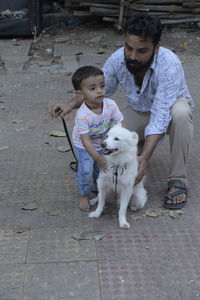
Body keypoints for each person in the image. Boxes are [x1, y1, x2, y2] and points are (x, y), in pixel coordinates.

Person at [50, 13, 194, 210]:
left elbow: (161, 115)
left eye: (141, 51)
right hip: (137, 110)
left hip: (169, 111)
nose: (133, 56)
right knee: (107, 130)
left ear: (156, 46)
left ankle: (178, 180)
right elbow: (95, 90)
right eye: (129, 48)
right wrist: (69, 105)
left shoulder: (170, 64)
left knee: (181, 112)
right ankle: (100, 174)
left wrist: (145, 158)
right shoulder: (118, 59)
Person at [69, 66, 123, 211]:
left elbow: (120, 124)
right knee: (86, 169)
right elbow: (86, 141)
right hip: (84, 146)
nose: (99, 91)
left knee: (100, 170)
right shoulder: (82, 115)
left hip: (102, 143)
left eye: (102, 85)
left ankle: (98, 186)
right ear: (80, 94)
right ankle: (84, 194)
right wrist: (98, 158)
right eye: (92, 88)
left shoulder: (111, 105)